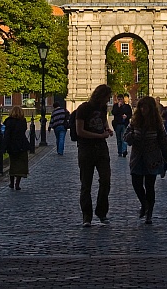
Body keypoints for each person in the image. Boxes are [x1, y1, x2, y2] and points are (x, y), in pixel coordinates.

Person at [124, 96, 167, 225]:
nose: (142, 109)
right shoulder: (135, 122)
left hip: (152, 159)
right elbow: (126, 136)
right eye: (141, 107)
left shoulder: (157, 124)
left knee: (150, 186)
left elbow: (164, 142)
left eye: (145, 107)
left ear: (151, 108)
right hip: (137, 158)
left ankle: (149, 214)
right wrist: (131, 136)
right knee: (136, 183)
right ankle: (144, 203)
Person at [75, 84, 114, 227]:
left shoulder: (103, 108)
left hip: (101, 149)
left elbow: (103, 123)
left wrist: (107, 129)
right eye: (107, 97)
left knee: (106, 180)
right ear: (101, 96)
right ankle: (87, 216)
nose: (108, 100)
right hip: (86, 150)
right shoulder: (83, 108)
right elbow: (79, 131)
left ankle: (101, 212)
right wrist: (99, 136)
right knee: (86, 184)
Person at [3, 106, 30, 190]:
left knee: (13, 164)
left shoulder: (9, 122)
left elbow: (7, 135)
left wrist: (4, 147)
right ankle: (17, 184)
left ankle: (11, 183)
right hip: (22, 144)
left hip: (12, 145)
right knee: (21, 165)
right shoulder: (23, 121)